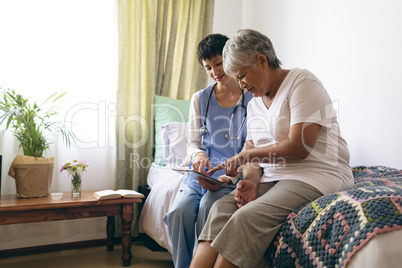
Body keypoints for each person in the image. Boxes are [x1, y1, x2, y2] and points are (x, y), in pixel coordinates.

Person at [190, 29, 354, 268]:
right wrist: (251, 181)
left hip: (316, 174)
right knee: (219, 209)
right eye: (236, 78)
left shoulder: (302, 83)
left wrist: (246, 155)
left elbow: (299, 147)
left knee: (245, 218)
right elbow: (255, 157)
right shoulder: (255, 103)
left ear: (261, 61)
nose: (241, 85)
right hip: (275, 177)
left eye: (242, 75)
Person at [163, 33, 253, 268]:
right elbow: (194, 142)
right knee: (179, 212)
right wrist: (199, 155)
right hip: (201, 174)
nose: (215, 72)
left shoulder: (252, 97)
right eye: (208, 68)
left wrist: (230, 175)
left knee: (208, 207)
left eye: (218, 63)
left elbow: (251, 148)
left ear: (230, 57)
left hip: (231, 175)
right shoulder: (200, 98)